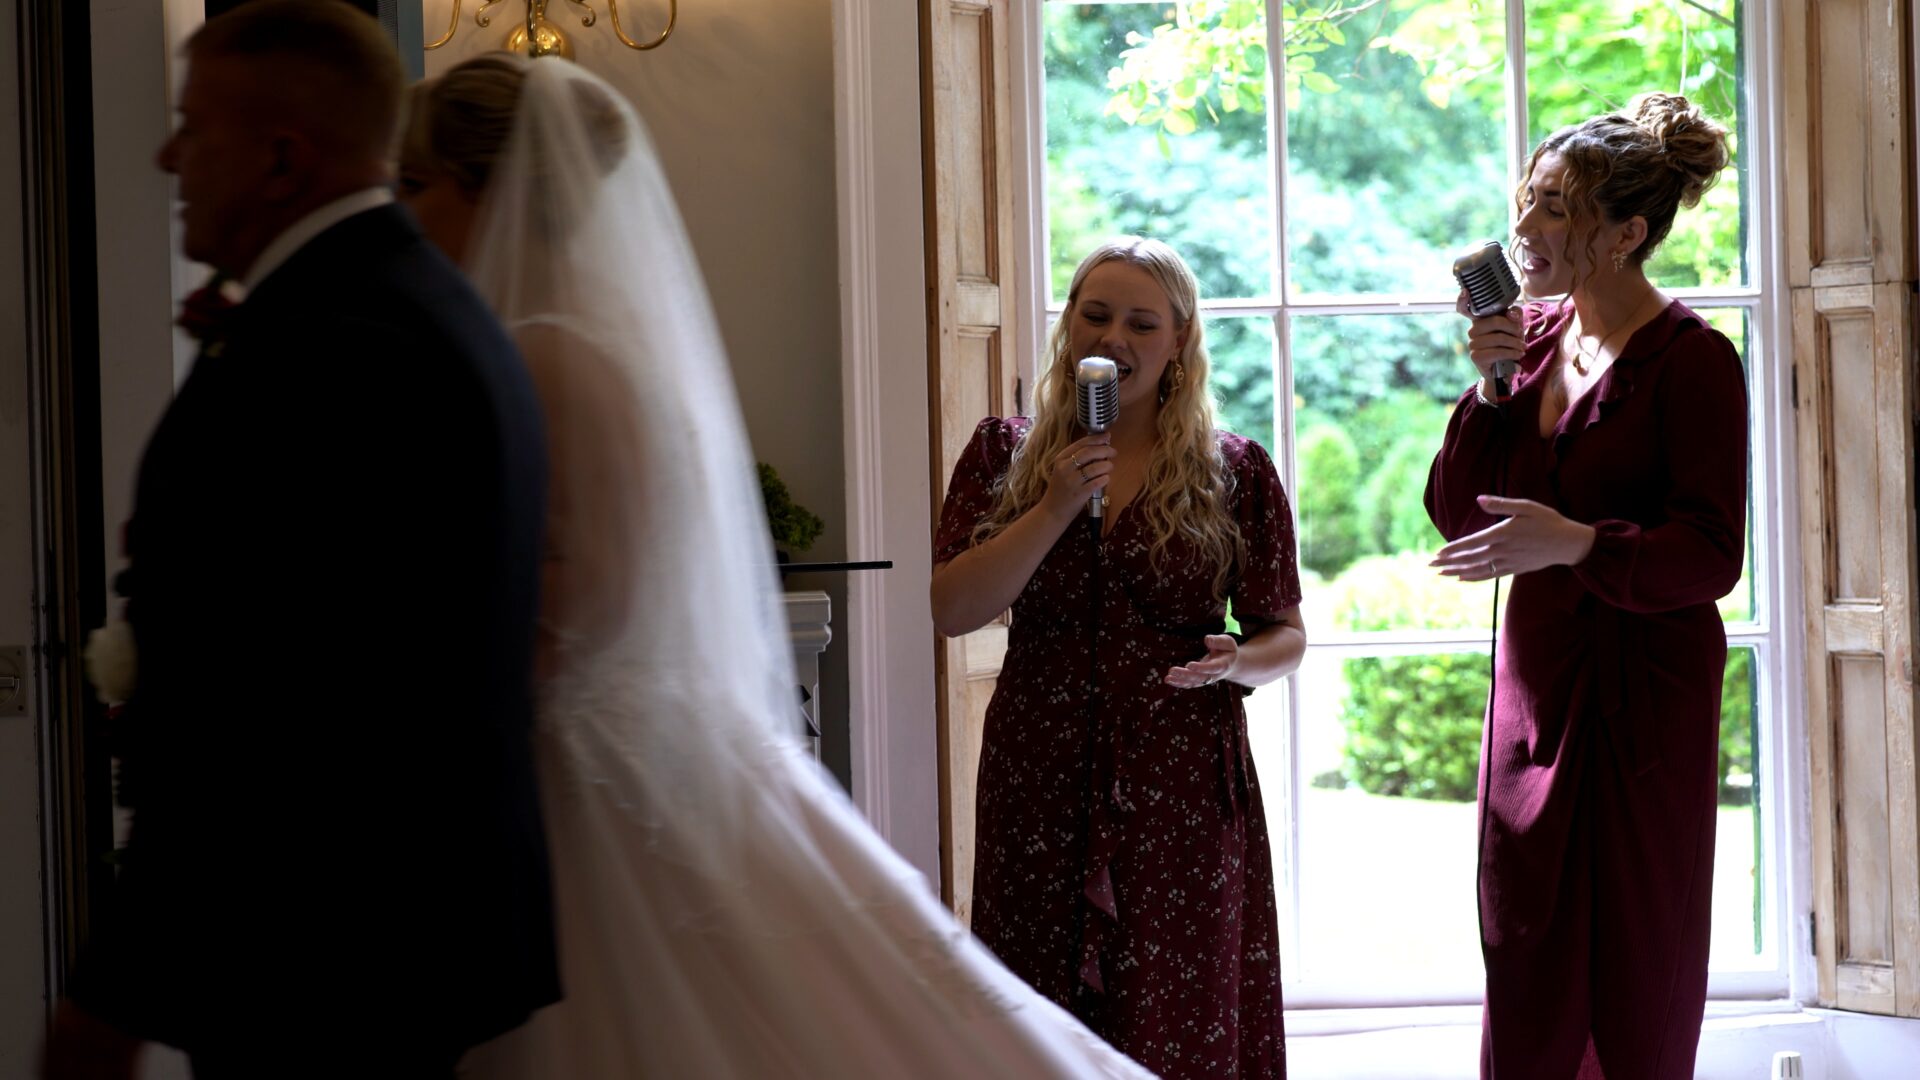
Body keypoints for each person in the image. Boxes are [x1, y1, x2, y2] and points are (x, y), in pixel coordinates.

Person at [395, 52, 1156, 1079]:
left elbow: (584, 591)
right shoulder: (603, 349)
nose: (404, 213)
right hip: (646, 742)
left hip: (584, 766)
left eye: (417, 185)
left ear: (489, 194)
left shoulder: (540, 353)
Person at [41, 4, 560, 1079]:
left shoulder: (332, 346)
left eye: (192, 127)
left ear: (282, 157)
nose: (165, 155)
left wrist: (107, 1000)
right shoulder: (420, 308)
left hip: (325, 955)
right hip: (398, 945)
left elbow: (257, 711)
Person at [930, 237, 1308, 1079]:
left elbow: (1285, 634)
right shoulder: (1005, 452)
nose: (1115, 338)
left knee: (1175, 998)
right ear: (1069, 327)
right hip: (1041, 769)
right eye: (1095, 315)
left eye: (1142, 323)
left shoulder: (1235, 470)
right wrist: (1057, 503)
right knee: (1038, 997)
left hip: (1179, 775)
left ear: (1179, 342)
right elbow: (955, 608)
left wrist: (1237, 663)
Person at [1424, 92, 1744, 1079]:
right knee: (1527, 944)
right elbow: (1457, 510)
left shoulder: (1695, 364)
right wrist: (1488, 385)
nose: (1523, 229)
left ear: (1627, 233)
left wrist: (1581, 546)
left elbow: (1710, 554)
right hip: (1540, 688)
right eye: (1528, 201)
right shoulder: (1530, 340)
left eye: (1555, 209)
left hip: (1647, 699)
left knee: (1639, 961)